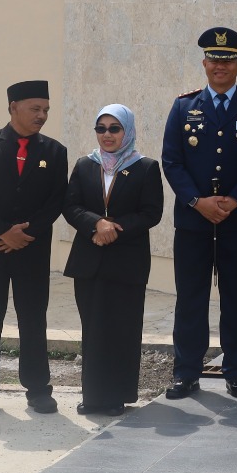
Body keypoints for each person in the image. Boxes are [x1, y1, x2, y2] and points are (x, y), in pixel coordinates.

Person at [160, 28, 237, 400]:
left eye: (228, 60)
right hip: (193, 221)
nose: (220, 66)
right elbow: (172, 162)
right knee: (191, 297)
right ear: (204, 63)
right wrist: (197, 201)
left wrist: (236, 199)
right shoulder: (183, 107)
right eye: (214, 60)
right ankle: (186, 371)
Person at [0, 80, 68, 412]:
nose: (42, 116)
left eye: (46, 110)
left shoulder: (54, 151)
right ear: (13, 107)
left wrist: (25, 234)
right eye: (35, 109)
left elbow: (56, 201)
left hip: (31, 249)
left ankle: (38, 389)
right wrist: (2, 233)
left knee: (33, 319)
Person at [62, 104, 164, 416]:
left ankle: (117, 395)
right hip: (89, 261)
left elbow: (151, 212)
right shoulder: (85, 165)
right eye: (101, 128)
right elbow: (71, 205)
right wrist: (96, 224)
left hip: (126, 261)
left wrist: (113, 230)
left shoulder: (145, 167)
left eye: (114, 128)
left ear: (127, 131)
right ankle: (93, 397)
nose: (107, 135)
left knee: (122, 328)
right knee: (93, 329)